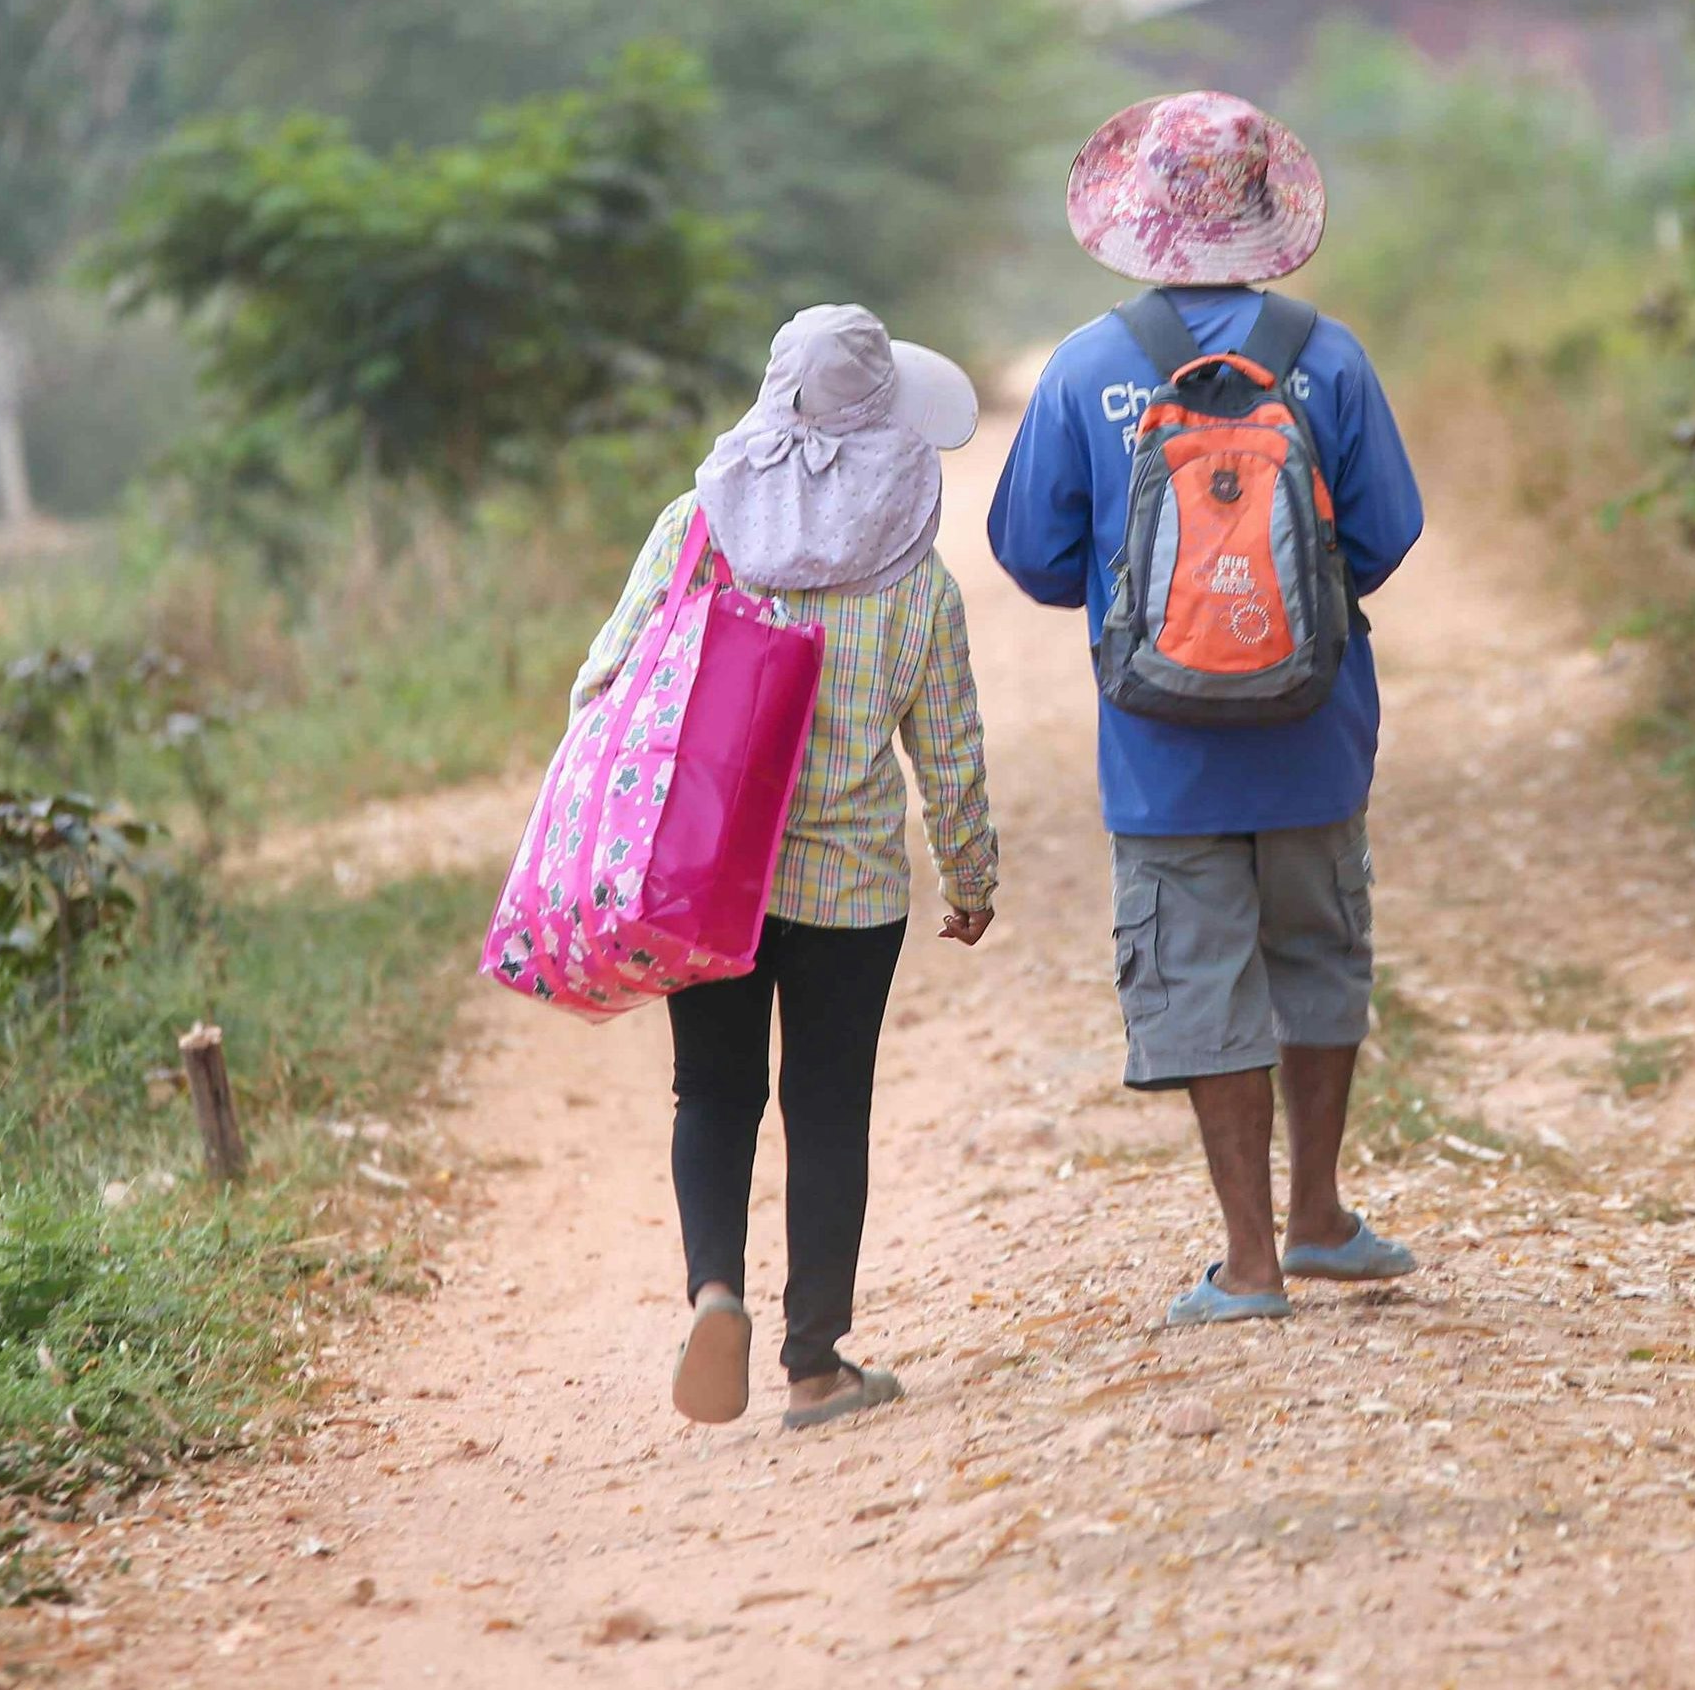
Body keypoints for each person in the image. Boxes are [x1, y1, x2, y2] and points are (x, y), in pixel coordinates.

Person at [986, 92, 1427, 1326]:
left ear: (1135, 216)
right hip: (1314, 730)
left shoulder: (1084, 368)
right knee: (1315, 954)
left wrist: (1153, 612)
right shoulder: (1326, 357)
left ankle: (1248, 1263)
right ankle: (1322, 1215)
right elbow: (1386, 536)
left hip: (1157, 743)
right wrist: (1277, 615)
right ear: (1265, 208)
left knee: (1200, 977)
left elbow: (1026, 553)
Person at [572, 304, 999, 1429]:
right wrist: (970, 876)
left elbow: (605, 681)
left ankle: (715, 1291)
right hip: (850, 893)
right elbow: (946, 750)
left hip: (708, 880)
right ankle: (815, 1363)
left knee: (711, 1091)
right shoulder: (916, 573)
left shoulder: (697, 525)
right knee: (826, 1107)